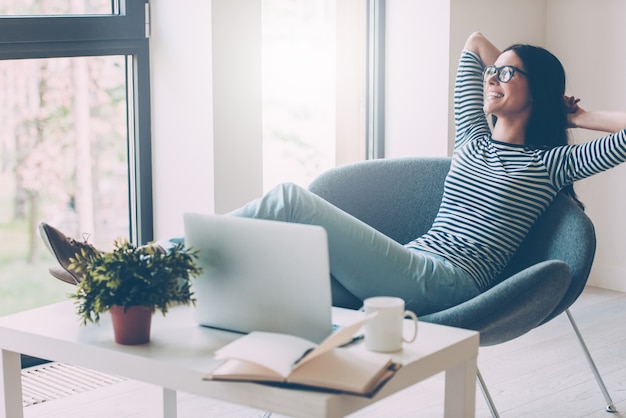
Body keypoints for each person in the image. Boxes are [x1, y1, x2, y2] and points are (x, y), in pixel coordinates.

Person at [40, 32, 626, 316]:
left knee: (290, 200)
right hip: (410, 258)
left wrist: (572, 112)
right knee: (263, 258)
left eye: (509, 75)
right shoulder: (470, 135)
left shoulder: (552, 163)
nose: (493, 78)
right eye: (493, 73)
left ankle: (129, 267)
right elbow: (473, 42)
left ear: (538, 94)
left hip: (449, 284)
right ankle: (136, 281)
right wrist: (508, 67)